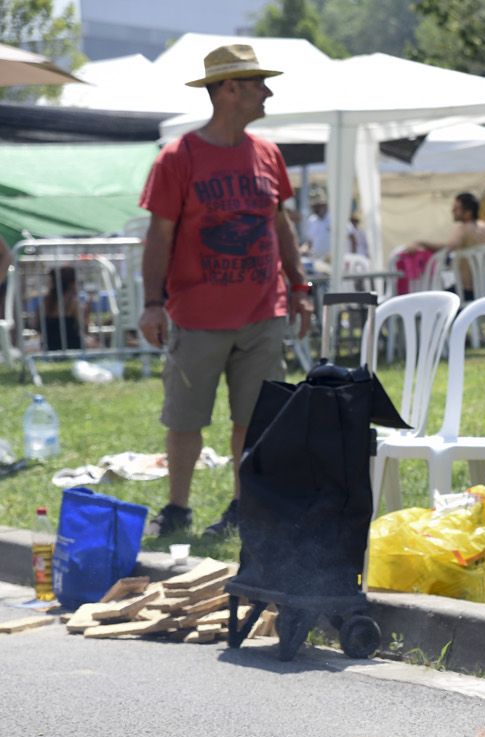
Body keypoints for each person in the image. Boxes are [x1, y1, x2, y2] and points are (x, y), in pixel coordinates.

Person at [137, 44, 314, 540]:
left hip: (263, 311)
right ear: (229, 89)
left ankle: (243, 505)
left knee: (255, 417)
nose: (267, 91)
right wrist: (152, 303)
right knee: (185, 419)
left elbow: (280, 226)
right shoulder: (178, 157)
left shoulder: (268, 154)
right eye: (257, 83)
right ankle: (178, 508)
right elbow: (160, 235)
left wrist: (298, 287)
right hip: (196, 314)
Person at [402, 192, 485, 301]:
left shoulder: (462, 228)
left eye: (456, 208)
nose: (452, 211)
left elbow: (447, 248)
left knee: (438, 300)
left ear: (468, 213)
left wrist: (422, 243)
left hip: (467, 292)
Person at [41, 265, 87, 352]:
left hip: (49, 346)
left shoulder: (47, 301)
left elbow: (36, 324)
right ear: (72, 283)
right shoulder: (73, 302)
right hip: (72, 346)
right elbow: (83, 326)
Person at [299, 190, 332, 262]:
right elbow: (310, 242)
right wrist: (302, 250)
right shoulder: (311, 220)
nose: (315, 209)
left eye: (317, 206)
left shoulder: (333, 219)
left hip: (334, 261)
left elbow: (349, 238)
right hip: (317, 261)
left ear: (324, 205)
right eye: (313, 206)